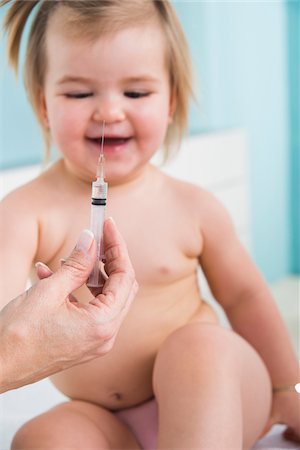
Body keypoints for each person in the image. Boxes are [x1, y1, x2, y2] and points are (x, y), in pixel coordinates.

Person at [0, 0, 299, 448]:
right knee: (42, 437)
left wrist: (285, 390)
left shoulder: (193, 207)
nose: (108, 112)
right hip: (108, 419)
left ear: (171, 101)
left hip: (218, 399)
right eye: (80, 94)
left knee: (198, 348)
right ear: (44, 105)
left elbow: (245, 297)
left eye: (136, 93)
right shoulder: (24, 212)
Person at [0, 220, 138, 394]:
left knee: (182, 345)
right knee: (55, 423)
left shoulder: (179, 199)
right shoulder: (24, 212)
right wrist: (9, 357)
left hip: (164, 384)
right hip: (86, 406)